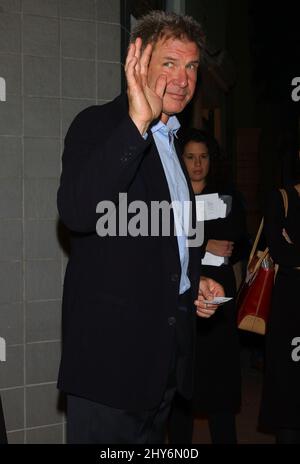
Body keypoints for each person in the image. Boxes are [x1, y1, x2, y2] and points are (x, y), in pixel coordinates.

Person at [57, 11, 225, 444]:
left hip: (163, 366)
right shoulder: (98, 125)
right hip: (110, 367)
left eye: (191, 67)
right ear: (139, 60)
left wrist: (191, 283)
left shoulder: (174, 143)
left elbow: (156, 242)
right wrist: (136, 124)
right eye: (170, 63)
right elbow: (77, 211)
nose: (183, 79)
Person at [168, 128, 247, 444]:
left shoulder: (227, 197)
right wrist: (204, 246)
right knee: (182, 380)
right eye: (190, 157)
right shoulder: (172, 196)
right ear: (180, 160)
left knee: (221, 383)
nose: (198, 164)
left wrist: (208, 244)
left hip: (219, 298)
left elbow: (235, 242)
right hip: (185, 294)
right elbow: (162, 242)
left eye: (203, 157)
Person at [259, 152, 300, 444]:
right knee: (288, 384)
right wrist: (289, 252)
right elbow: (281, 252)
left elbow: (291, 252)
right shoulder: (281, 198)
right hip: (290, 303)